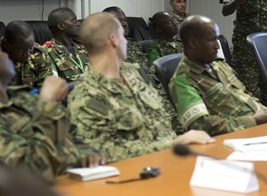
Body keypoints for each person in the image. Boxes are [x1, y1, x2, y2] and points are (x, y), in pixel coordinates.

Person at [68, 13, 214, 163]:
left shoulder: (131, 73)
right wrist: (173, 144)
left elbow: (159, 125)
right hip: (137, 173)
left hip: (169, 161)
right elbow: (104, 152)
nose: (126, 41)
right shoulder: (87, 94)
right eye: (123, 37)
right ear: (114, 40)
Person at [0, 40, 104, 184]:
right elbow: (30, 175)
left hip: (79, 182)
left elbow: (72, 135)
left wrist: (86, 152)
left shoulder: (22, 97)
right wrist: (47, 103)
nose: (6, 55)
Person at [169, 15, 267, 136]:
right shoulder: (183, 80)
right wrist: (254, 120)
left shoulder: (218, 64)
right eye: (212, 40)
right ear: (193, 42)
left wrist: (265, 111)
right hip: (237, 137)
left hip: (264, 126)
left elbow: (244, 94)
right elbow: (200, 126)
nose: (217, 46)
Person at [102, 6, 185, 134]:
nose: (124, 23)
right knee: (181, 121)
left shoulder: (133, 45)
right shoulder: (104, 51)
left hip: (157, 90)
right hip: (137, 98)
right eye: (119, 20)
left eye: (124, 20)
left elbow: (150, 72)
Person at [0, 20, 55, 89]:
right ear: (6, 44)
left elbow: (45, 87)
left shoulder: (38, 53)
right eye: (21, 50)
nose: (28, 54)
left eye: (30, 47)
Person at [43, 8, 89, 82]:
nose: (78, 23)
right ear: (61, 26)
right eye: (73, 20)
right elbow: (52, 86)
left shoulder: (83, 46)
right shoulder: (47, 52)